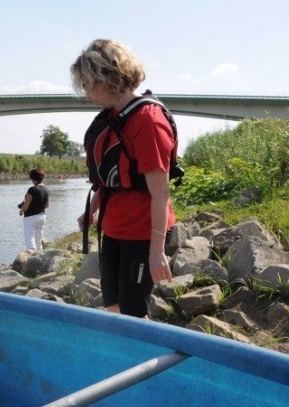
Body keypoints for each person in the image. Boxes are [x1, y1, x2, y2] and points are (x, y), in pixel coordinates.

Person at [70, 39, 176, 318]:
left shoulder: (148, 121)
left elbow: (160, 193)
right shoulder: (112, 116)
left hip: (142, 233)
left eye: (88, 85)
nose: (87, 94)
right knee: (113, 304)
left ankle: (141, 356)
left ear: (106, 79)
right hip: (114, 228)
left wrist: (156, 251)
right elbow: (111, 177)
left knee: (133, 310)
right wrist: (92, 209)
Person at [18, 167, 49, 252]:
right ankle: (40, 256)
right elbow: (47, 205)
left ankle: (31, 258)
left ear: (32, 178)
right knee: (38, 239)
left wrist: (21, 211)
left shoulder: (32, 189)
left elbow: (26, 205)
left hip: (30, 218)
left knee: (29, 239)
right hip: (42, 217)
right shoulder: (46, 189)